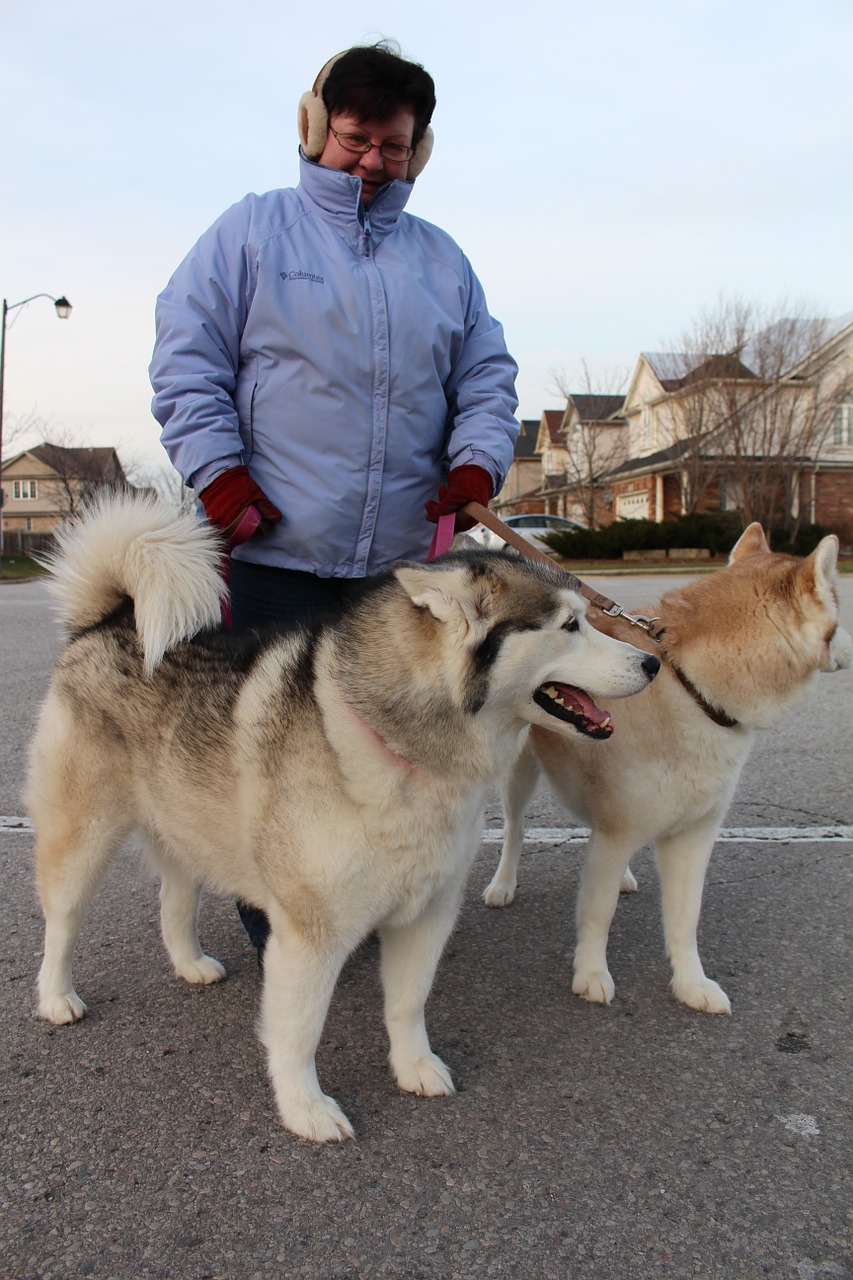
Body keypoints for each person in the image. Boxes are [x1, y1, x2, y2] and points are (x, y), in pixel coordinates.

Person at [149, 40, 520, 954]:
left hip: (397, 566)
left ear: (416, 151)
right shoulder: (250, 232)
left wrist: (476, 466)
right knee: (272, 753)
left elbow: (487, 377)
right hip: (271, 550)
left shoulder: (442, 261)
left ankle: (359, 895)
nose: (372, 160)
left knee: (384, 748)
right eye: (356, 138)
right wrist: (221, 474)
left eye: (393, 146)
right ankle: (281, 916)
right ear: (315, 129)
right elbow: (185, 359)